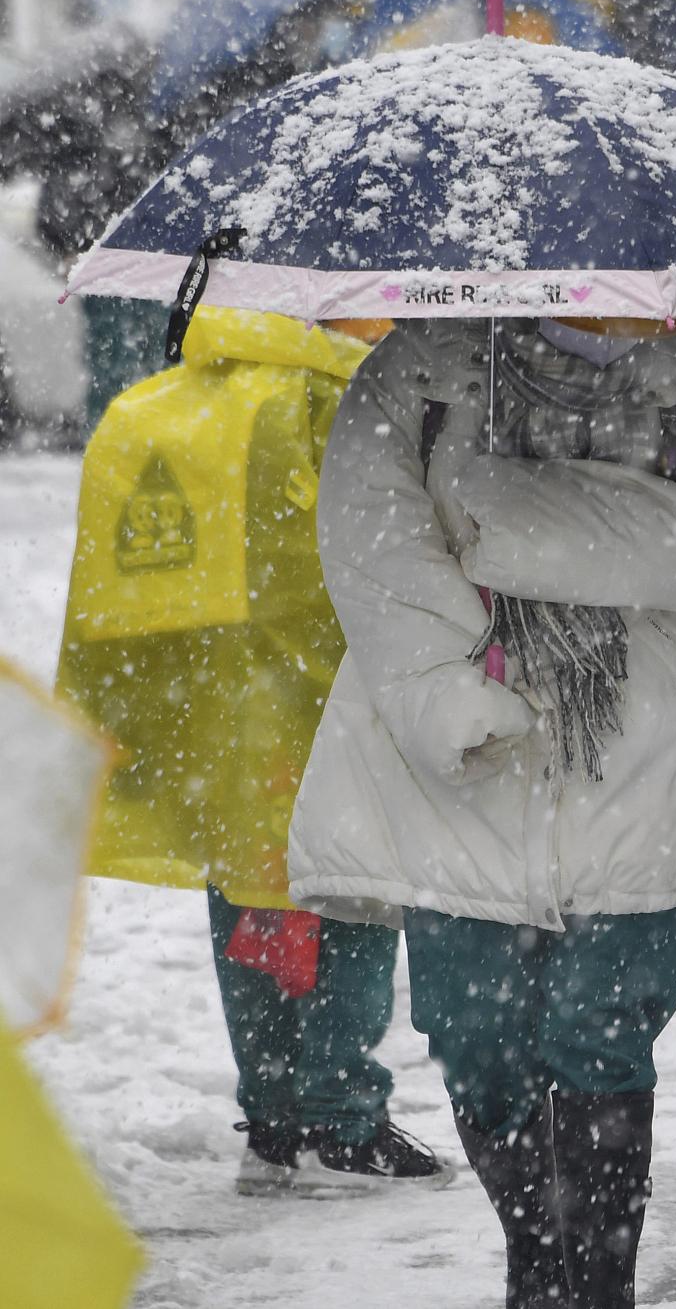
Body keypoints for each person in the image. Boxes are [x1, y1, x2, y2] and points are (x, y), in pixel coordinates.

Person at [286, 313, 676, 1309]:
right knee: (477, 1041)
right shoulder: (416, 368)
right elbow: (371, 539)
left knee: (600, 1035)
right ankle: (534, 1263)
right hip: (453, 757)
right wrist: (441, 690)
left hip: (635, 750)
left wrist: (492, 513)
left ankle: (597, 1289)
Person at [55, 307, 448, 1196]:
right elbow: (386, 542)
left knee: (246, 882)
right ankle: (340, 1114)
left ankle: (274, 1111)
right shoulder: (334, 397)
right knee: (342, 882)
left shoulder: (164, 404)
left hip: (206, 706)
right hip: (314, 688)